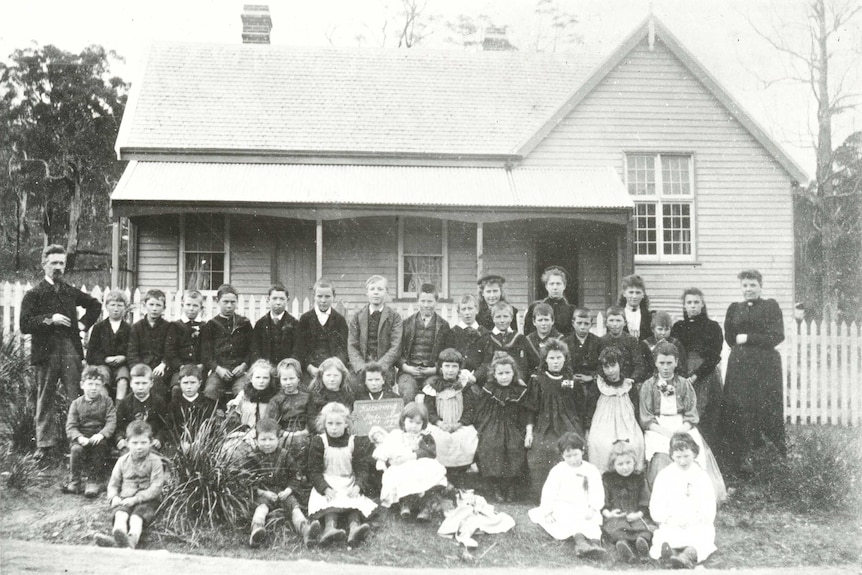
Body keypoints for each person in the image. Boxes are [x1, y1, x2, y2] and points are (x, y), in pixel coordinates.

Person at [20, 244, 102, 458]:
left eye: (61, 263)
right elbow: (25, 324)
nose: (58, 267)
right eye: (54, 263)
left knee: (75, 396)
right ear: (44, 265)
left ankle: (77, 441)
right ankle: (44, 445)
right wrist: (50, 319)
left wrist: (83, 325)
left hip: (70, 350)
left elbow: (95, 305)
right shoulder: (34, 294)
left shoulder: (69, 291)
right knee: (45, 396)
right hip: (46, 352)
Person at [719, 269, 786, 475]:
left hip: (765, 367)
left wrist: (748, 338)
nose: (749, 289)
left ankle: (769, 459)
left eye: (753, 285)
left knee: (765, 407)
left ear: (760, 286)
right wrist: (744, 343)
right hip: (740, 367)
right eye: (745, 285)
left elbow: (777, 336)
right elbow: (730, 337)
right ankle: (739, 460)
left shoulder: (770, 307)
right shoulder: (734, 308)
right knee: (740, 409)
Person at [639, 342, 726, 502]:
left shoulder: (684, 385)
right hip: (658, 427)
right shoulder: (649, 386)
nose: (665, 368)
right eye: (662, 363)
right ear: (655, 363)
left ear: (676, 362)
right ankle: (667, 499)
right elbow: (646, 417)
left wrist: (681, 430)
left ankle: (692, 498)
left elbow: (691, 414)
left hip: (682, 424)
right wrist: (666, 433)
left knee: (694, 450)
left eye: (669, 363)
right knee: (661, 454)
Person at [306, 402, 377, 547]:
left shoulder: (353, 441)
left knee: (354, 502)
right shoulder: (320, 441)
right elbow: (313, 471)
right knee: (328, 502)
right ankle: (329, 528)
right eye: (330, 423)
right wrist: (324, 488)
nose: (334, 427)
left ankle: (354, 529)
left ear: (346, 424)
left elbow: (362, 468)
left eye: (338, 423)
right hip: (327, 481)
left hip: (348, 481)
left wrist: (358, 486)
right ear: (324, 424)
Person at [527, 432, 606, 559]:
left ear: (583, 451)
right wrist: (547, 511)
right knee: (570, 519)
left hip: (585, 504)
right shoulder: (558, 470)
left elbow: (597, 490)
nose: (573, 459)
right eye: (568, 456)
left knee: (591, 521)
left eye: (576, 454)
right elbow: (549, 491)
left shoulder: (591, 470)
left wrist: (593, 508)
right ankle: (581, 544)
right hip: (564, 504)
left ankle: (595, 545)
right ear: (562, 455)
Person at [525, 338, 585, 502]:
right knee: (542, 450)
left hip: (568, 424)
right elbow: (531, 409)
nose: (556, 361)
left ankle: (571, 495)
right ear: (545, 360)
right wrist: (529, 432)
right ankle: (544, 496)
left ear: (565, 359)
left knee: (571, 448)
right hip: (544, 426)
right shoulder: (537, 380)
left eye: (559, 358)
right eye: (551, 358)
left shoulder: (571, 381)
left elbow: (580, 409)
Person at [245, 419, 321, 548]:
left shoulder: (284, 455)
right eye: (263, 440)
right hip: (264, 493)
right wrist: (264, 493)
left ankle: (305, 530)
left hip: (283, 492)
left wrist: (288, 490)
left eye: (271, 439)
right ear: (256, 440)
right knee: (261, 508)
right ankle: (256, 531)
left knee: (295, 508)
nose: (267, 443)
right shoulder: (253, 457)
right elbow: (248, 480)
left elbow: (295, 475)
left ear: (278, 439)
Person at [649, 432, 716, 568]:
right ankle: (671, 554)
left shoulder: (701, 476)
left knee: (701, 538)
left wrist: (697, 519)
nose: (682, 461)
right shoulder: (665, 475)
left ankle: (687, 555)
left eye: (686, 456)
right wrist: (668, 519)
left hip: (696, 522)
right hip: (672, 521)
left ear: (695, 453)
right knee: (664, 537)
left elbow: (709, 504)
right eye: (678, 457)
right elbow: (657, 503)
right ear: (672, 455)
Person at [471, 353, 529, 502]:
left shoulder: (520, 390)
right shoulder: (489, 388)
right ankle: (496, 485)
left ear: (514, 373)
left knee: (514, 446)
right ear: (494, 374)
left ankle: (510, 486)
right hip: (493, 422)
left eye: (508, 373)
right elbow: (481, 410)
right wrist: (482, 427)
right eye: (500, 373)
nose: (504, 377)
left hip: (513, 424)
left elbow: (524, 412)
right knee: (492, 445)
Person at [374, 402, 448, 518]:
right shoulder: (397, 435)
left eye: (418, 423)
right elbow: (388, 449)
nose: (413, 426)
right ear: (403, 421)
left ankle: (426, 507)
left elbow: (429, 452)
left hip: (421, 462)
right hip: (402, 465)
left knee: (429, 472)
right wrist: (388, 460)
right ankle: (405, 503)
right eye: (411, 422)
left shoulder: (424, 436)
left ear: (423, 424)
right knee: (399, 474)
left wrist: (411, 456)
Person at [670, 288, 724, 447]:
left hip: (706, 375)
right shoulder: (678, 327)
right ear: (684, 305)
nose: (692, 306)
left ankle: (708, 454)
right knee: (685, 413)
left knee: (706, 414)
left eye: (696, 302)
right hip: (684, 375)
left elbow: (715, 356)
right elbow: (674, 353)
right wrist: (683, 376)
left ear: (702, 304)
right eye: (689, 303)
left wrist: (696, 375)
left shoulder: (712, 327)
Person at [101, 421, 165, 549]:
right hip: (125, 498)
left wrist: (136, 499)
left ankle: (132, 540)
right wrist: (114, 497)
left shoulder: (155, 461)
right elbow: (113, 484)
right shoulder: (122, 461)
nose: (139, 447)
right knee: (121, 514)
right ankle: (119, 537)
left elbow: (156, 487)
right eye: (135, 443)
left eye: (143, 443)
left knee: (136, 517)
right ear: (127, 443)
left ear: (151, 443)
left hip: (146, 500)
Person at [587, 347, 645, 473]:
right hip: (603, 425)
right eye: (606, 367)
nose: (610, 371)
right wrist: (587, 429)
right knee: (600, 443)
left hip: (627, 424)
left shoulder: (629, 386)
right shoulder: (598, 386)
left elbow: (635, 411)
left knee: (636, 442)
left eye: (613, 365)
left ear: (620, 364)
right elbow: (589, 410)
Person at [423, 348, 478, 476]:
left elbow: (470, 410)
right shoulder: (432, 387)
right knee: (438, 439)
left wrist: (459, 424)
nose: (450, 370)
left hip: (459, 424)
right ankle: (441, 474)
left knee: (467, 438)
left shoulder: (464, 386)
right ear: (441, 368)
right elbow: (429, 410)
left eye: (454, 366)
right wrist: (439, 423)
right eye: (447, 366)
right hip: (439, 425)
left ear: (459, 368)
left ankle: (461, 471)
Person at [63, 365, 116, 497]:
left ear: (102, 386)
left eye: (97, 384)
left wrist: (102, 434)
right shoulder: (76, 404)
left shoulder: (107, 402)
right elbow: (71, 426)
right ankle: (74, 481)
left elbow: (111, 422)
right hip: (81, 438)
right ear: (82, 385)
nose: (93, 388)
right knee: (76, 450)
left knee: (100, 448)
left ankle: (93, 481)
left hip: (99, 438)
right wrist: (79, 437)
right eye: (90, 384)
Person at [347, 275, 403, 393]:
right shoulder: (358, 317)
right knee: (353, 384)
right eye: (372, 289)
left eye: (380, 289)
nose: (376, 293)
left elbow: (396, 347)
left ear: (387, 293)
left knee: (385, 388)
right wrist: (361, 367)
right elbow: (352, 346)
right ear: (367, 293)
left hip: (384, 367)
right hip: (362, 366)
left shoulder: (394, 317)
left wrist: (380, 367)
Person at [397, 283, 451, 403]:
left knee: (432, 392)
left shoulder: (443, 326)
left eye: (430, 301)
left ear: (436, 302)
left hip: (431, 372)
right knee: (407, 391)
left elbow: (447, 354)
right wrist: (406, 367)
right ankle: (408, 420)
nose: (426, 305)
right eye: (423, 301)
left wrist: (435, 369)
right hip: (409, 372)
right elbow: (397, 350)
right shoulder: (407, 324)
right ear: (418, 301)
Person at [601, 441, 653, 563]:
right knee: (617, 528)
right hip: (617, 515)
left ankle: (642, 545)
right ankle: (624, 547)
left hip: (636, 514)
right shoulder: (608, 479)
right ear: (613, 465)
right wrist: (609, 513)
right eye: (620, 464)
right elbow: (604, 500)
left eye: (628, 463)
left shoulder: (639, 478)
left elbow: (645, 500)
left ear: (634, 462)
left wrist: (639, 514)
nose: (625, 467)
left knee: (643, 529)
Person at [201, 284, 253, 402]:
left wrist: (244, 365)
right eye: (225, 302)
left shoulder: (244, 324)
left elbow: (252, 349)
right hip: (219, 371)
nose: (229, 306)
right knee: (210, 390)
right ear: (217, 301)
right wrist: (218, 369)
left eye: (232, 302)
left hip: (240, 371)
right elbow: (206, 355)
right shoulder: (211, 325)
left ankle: (239, 420)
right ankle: (213, 419)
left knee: (243, 392)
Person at [295, 278, 349, 386]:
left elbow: (342, 349)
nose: (323, 300)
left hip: (332, 370)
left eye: (327, 296)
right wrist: (309, 367)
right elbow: (300, 348)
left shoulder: (339, 320)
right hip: (310, 369)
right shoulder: (305, 319)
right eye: (319, 296)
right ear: (314, 296)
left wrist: (333, 368)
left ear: (334, 296)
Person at [467, 301, 530, 386]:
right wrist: (475, 376)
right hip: (492, 383)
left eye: (505, 316)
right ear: (493, 318)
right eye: (498, 317)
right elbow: (484, 363)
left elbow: (523, 364)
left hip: (515, 383)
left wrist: (520, 379)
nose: (502, 320)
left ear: (511, 318)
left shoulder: (519, 338)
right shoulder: (486, 339)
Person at [86, 289, 131, 400]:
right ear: (106, 306)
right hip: (103, 364)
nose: (116, 309)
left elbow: (133, 350)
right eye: (113, 305)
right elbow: (91, 353)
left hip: (122, 365)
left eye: (120, 305)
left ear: (125, 308)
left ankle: (119, 411)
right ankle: (105, 409)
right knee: (102, 377)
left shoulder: (129, 329)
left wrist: (123, 357)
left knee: (123, 379)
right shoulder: (99, 327)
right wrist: (105, 359)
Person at [127, 289, 171, 401]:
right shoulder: (137, 327)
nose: (154, 308)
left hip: (159, 368)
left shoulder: (168, 327)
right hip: (140, 366)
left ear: (164, 308)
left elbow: (170, 350)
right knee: (138, 382)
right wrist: (138, 369)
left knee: (157, 381)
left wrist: (164, 363)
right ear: (144, 305)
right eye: (151, 304)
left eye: (158, 305)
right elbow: (132, 353)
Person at [115, 364, 170, 453]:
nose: (140, 387)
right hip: (131, 443)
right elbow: (118, 426)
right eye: (137, 383)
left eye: (144, 383)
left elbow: (165, 426)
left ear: (151, 383)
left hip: (151, 442)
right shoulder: (125, 403)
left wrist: (159, 439)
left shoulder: (159, 402)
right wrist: (120, 439)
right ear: (131, 384)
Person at [226, 359, 280, 443]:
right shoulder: (244, 395)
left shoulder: (274, 397)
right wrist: (243, 431)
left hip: (267, 436)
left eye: (265, 378)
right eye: (257, 377)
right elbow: (233, 415)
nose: (261, 381)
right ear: (251, 378)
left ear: (270, 379)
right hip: (245, 434)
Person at [164, 290, 204, 395]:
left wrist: (202, 365)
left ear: (201, 307)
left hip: (199, 368)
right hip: (180, 368)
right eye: (188, 305)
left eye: (195, 305)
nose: (191, 308)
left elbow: (207, 348)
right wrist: (180, 366)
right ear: (182, 305)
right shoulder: (175, 326)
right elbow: (170, 350)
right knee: (177, 388)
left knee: (202, 387)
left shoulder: (205, 326)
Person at [250, 284, 298, 367]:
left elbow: (297, 350)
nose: (278, 302)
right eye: (274, 298)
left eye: (282, 299)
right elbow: (255, 350)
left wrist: (289, 366)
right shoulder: (260, 324)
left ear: (288, 300)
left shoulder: (294, 323)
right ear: (268, 300)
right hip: (266, 368)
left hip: (287, 369)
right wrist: (262, 366)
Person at [598, 306, 647, 386]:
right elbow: (599, 365)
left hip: (627, 381)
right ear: (606, 322)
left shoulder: (631, 341)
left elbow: (639, 364)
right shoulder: (602, 341)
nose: (614, 324)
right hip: (607, 383)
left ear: (624, 322)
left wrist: (632, 379)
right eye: (611, 320)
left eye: (618, 320)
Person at [168, 364, 218, 442]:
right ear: (179, 383)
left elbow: (211, 428)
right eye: (185, 383)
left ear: (199, 383)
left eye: (193, 382)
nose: (189, 387)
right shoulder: (174, 404)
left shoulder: (208, 403)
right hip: (180, 443)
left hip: (202, 443)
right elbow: (171, 428)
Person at [564, 307, 600, 411]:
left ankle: (589, 424)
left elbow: (603, 365)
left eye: (586, 324)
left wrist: (592, 377)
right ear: (573, 323)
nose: (582, 327)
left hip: (592, 381)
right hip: (572, 379)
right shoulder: (565, 342)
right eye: (579, 323)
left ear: (591, 324)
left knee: (593, 394)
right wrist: (571, 376)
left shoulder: (598, 342)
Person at [306, 357, 355, 433]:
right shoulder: (316, 395)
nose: (332, 379)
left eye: (336, 375)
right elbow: (311, 420)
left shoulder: (348, 395)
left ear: (343, 376)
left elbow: (351, 418)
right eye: (328, 375)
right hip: (322, 434)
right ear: (321, 376)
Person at [524, 266, 574, 337]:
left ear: (564, 286)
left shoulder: (571, 310)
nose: (555, 287)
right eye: (551, 284)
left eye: (558, 284)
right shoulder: (535, 307)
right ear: (546, 286)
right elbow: (528, 333)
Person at [640, 311, 687, 379]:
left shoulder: (676, 343)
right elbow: (643, 368)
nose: (663, 333)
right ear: (653, 329)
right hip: (652, 379)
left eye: (667, 329)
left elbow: (682, 368)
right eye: (660, 329)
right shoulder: (646, 344)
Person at [524, 303, 564, 375]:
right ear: (534, 322)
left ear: (552, 321)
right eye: (540, 320)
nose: (543, 323)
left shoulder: (560, 339)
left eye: (546, 320)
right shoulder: (528, 340)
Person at [443, 294, 487, 358]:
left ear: (477, 310)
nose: (467, 313)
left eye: (470, 308)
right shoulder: (452, 333)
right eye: (463, 309)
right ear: (458, 312)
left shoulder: (484, 333)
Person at [618, 274, 652, 341]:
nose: (634, 296)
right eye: (631, 292)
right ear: (624, 293)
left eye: (638, 292)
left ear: (643, 295)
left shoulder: (648, 316)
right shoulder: (617, 315)